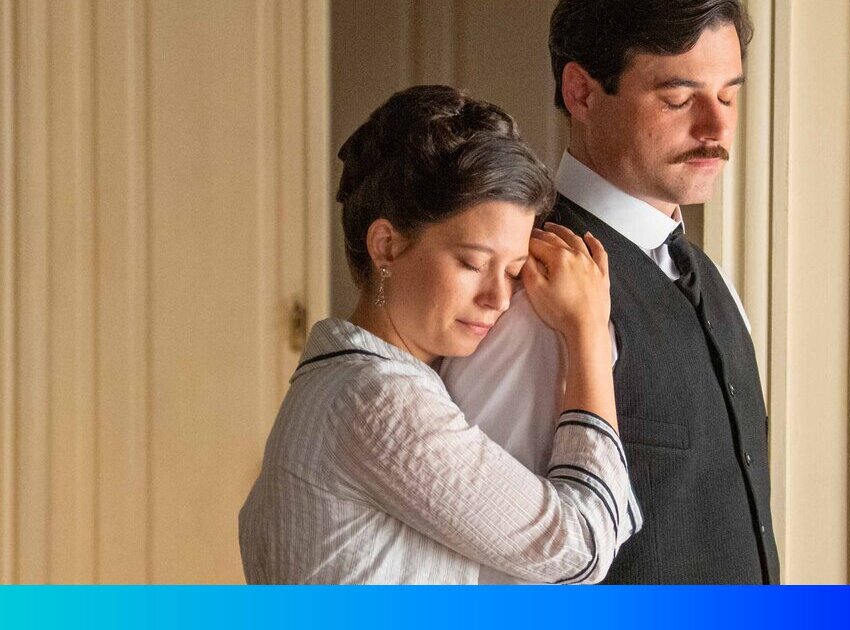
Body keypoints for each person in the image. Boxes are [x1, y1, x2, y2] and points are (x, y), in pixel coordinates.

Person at [238, 85, 641, 584]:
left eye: (513, 270)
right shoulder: (379, 400)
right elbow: (581, 547)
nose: (498, 297)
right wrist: (587, 331)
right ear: (386, 246)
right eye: (472, 263)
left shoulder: (335, 385)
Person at [441, 0, 779, 584]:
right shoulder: (528, 296)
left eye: (728, 97)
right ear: (582, 92)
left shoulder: (715, 283)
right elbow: (478, 568)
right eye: (679, 99)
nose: (717, 130)